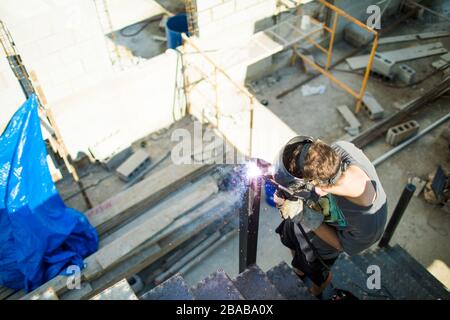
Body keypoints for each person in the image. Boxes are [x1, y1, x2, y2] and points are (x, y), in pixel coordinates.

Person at [273, 137, 388, 297]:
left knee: (313, 269)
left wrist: (303, 215)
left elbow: (340, 244)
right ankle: (299, 269)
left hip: (322, 245)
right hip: (308, 214)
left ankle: (316, 290)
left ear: (321, 190)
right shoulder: (341, 150)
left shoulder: (368, 226)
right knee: (290, 239)